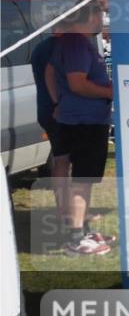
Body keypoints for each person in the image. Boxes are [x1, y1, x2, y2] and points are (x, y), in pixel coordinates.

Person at [45, 3, 114, 256]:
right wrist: (110, 92)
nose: (102, 21)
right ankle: (76, 239)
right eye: (100, 15)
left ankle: (82, 231)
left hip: (81, 119)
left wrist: (57, 102)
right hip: (85, 122)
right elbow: (77, 84)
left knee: (84, 180)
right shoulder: (76, 42)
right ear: (92, 16)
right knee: (82, 181)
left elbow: (50, 71)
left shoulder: (72, 42)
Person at [30, 28, 71, 224]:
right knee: (65, 162)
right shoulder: (60, 48)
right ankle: (68, 212)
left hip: (48, 110)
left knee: (61, 160)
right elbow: (55, 76)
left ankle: (65, 210)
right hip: (60, 112)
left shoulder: (41, 47)